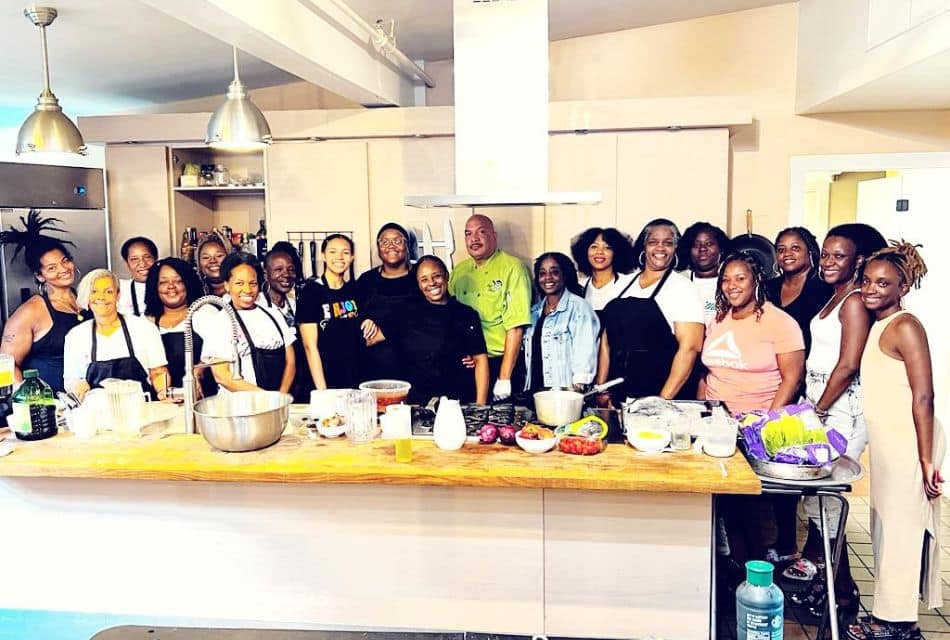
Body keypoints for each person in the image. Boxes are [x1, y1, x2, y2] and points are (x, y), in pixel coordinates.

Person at [788, 223, 887, 621]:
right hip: (823, 405)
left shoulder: (855, 302)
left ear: (858, 261)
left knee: (826, 504)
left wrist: (818, 409)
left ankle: (838, 593)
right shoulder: (836, 298)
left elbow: (847, 366)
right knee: (819, 506)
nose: (828, 262)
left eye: (838, 256)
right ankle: (837, 589)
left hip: (842, 409)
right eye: (825, 254)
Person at [846, 242, 944, 640]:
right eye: (867, 281)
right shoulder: (878, 324)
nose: (871, 289)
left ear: (902, 286)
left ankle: (898, 623)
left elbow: (924, 396)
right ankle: (891, 617)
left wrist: (924, 460)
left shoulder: (905, 325)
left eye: (883, 283)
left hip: (910, 444)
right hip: (889, 446)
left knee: (902, 531)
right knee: (886, 528)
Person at [700, 252, 805, 568]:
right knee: (727, 503)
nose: (731, 286)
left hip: (756, 426)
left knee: (750, 506)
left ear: (757, 280)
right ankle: (738, 568)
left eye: (740, 278)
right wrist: (701, 414)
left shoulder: (780, 323)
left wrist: (764, 425)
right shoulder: (718, 320)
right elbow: (709, 374)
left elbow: (792, 379)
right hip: (718, 426)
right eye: (726, 279)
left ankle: (756, 571)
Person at [595, 218, 704, 405]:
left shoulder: (683, 289)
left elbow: (690, 349)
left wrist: (660, 403)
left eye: (668, 243)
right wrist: (602, 388)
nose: (660, 248)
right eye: (653, 242)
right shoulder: (622, 285)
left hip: (662, 396)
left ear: (676, 249)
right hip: (620, 396)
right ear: (644, 247)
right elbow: (606, 340)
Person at [384, 255, 489, 404]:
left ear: (446, 276)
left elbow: (480, 360)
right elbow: (374, 338)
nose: (432, 283)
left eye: (437, 276)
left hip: (457, 400)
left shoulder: (465, 314)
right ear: (418, 284)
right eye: (424, 280)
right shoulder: (405, 313)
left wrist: (480, 406)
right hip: (417, 400)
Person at [448, 214, 532, 400]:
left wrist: (504, 379)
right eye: (468, 234)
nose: (474, 239)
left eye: (481, 232)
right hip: (470, 363)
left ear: (494, 236)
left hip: (501, 362)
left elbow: (516, 327)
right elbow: (450, 317)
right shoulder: (459, 272)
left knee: (502, 424)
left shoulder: (513, 268)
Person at [0, 214, 85, 393]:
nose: (63, 269)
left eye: (65, 261)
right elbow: (6, 364)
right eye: (52, 268)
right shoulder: (31, 311)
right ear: (40, 275)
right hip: (52, 409)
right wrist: (31, 404)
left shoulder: (86, 299)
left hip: (90, 402)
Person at [63, 269, 169, 400]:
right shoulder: (76, 336)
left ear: (117, 295)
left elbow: (158, 372)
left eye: (109, 291)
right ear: (87, 296)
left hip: (141, 408)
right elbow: (71, 380)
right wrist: (77, 386)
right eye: (94, 291)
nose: (101, 297)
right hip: (98, 413)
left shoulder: (143, 328)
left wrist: (163, 393)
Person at [202, 252, 296, 394]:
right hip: (238, 408)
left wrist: (280, 398)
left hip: (277, 405)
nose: (247, 290)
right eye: (239, 283)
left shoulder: (274, 314)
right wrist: (266, 399)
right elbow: (222, 376)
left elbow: (291, 362)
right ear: (227, 285)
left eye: (253, 283)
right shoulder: (220, 322)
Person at [296, 234, 378, 390]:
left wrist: (369, 320)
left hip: (354, 379)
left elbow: (362, 328)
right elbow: (310, 347)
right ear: (323, 256)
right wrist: (323, 392)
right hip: (324, 380)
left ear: (352, 257)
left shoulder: (355, 291)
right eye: (333, 251)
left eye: (345, 252)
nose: (339, 257)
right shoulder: (311, 292)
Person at [523, 252, 600, 393]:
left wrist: (578, 389)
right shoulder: (534, 312)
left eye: (554, 272)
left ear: (564, 275)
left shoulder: (579, 308)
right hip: (535, 392)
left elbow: (585, 354)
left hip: (565, 394)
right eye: (542, 273)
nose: (548, 278)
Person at [143, 257, 216, 397]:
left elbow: (217, 353)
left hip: (203, 397)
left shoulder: (204, 312)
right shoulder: (147, 322)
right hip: (162, 400)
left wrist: (198, 372)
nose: (171, 286)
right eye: (163, 282)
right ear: (154, 287)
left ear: (188, 284)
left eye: (178, 281)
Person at [355, 223, 419, 381]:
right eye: (384, 242)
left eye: (397, 241)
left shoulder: (420, 277)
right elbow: (353, 315)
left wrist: (384, 332)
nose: (391, 246)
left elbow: (430, 314)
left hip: (416, 368)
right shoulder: (366, 281)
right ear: (378, 248)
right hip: (372, 369)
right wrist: (364, 319)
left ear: (407, 245)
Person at [766, 226, 832, 355]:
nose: (787, 254)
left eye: (795, 248)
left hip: (808, 367)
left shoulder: (825, 289)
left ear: (810, 252)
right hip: (769, 366)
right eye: (781, 249)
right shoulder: (767, 288)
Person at [570, 227, 636, 316]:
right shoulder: (579, 288)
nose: (600, 252)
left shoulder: (630, 284)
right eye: (594, 247)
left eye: (607, 247)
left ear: (616, 252)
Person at [679, 222, 730, 325]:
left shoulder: (732, 281)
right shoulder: (679, 281)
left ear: (721, 249)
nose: (702, 249)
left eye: (709, 244)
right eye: (696, 245)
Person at [117, 236, 158, 317]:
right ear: (127, 263)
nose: (142, 264)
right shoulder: (119, 288)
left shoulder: (169, 287)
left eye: (147, 257)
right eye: (135, 259)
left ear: (156, 259)